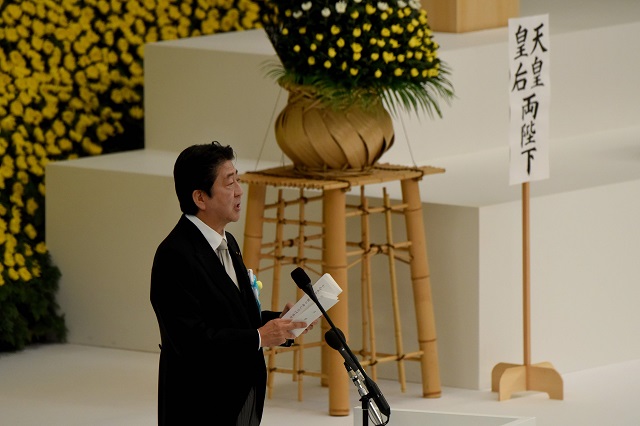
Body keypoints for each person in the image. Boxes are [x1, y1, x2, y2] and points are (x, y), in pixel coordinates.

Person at [150, 141, 311, 425]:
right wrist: (261, 336)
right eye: (229, 183)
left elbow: (232, 318)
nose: (239, 190)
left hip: (241, 397)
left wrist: (282, 323)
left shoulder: (229, 242)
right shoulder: (174, 256)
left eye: (237, 179)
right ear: (200, 198)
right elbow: (192, 341)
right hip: (200, 405)